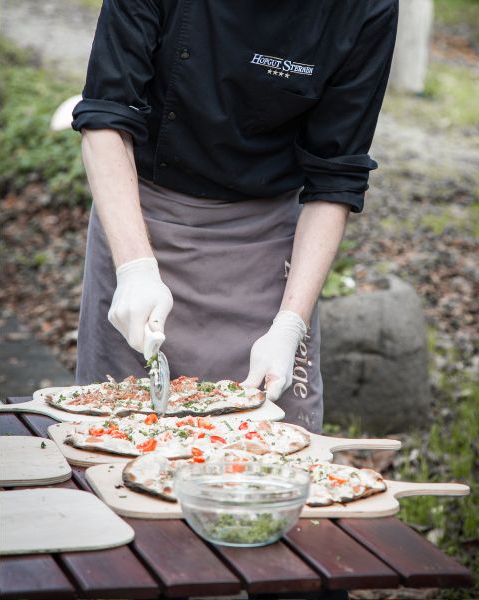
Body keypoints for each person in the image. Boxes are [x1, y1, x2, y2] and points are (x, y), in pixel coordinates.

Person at [71, 0, 399, 430]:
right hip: (140, 221)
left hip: (268, 246)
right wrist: (134, 269)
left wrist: (290, 324)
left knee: (276, 446)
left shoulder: (365, 8)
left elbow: (335, 177)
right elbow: (106, 115)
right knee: (119, 435)